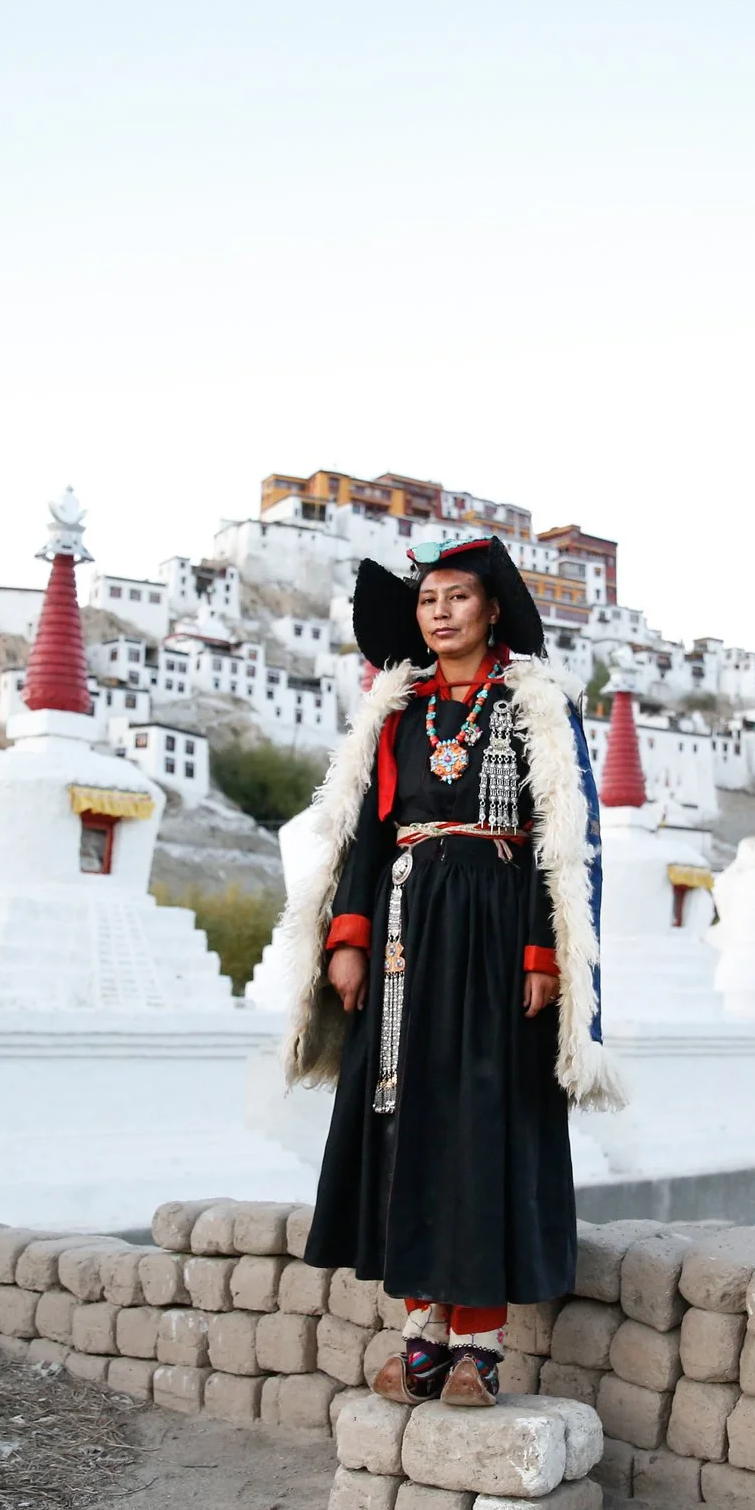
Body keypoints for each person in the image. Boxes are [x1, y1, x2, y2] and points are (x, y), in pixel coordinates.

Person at [269, 537, 620, 1407]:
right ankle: (420, 1334)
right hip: (404, 937)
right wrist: (346, 938)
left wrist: (544, 952)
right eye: (429, 599)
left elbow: (561, 840)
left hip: (499, 933)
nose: (440, 611)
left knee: (482, 1123)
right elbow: (366, 833)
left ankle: (479, 1346)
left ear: (491, 607)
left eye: (458, 596)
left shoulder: (532, 706)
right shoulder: (396, 714)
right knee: (409, 1119)